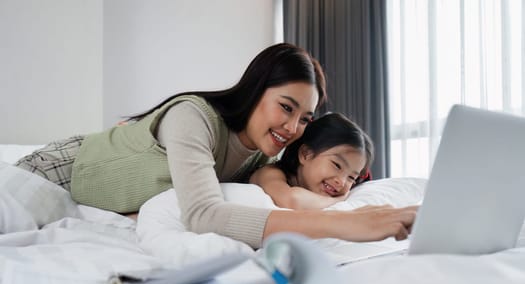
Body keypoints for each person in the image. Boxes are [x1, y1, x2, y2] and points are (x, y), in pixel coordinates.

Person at [16, 42, 416, 248]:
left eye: (305, 118)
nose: (294, 127)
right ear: (258, 90)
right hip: (64, 167)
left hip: (97, 198)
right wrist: (343, 225)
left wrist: (384, 209)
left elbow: (289, 196)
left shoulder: (264, 156)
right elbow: (204, 215)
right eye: (286, 107)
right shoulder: (194, 116)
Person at [249, 112, 373, 210]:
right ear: (306, 154)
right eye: (337, 165)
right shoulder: (269, 172)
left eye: (351, 177)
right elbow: (292, 200)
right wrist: (338, 200)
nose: (341, 181)